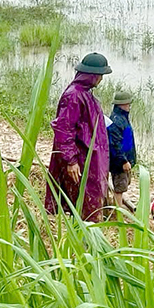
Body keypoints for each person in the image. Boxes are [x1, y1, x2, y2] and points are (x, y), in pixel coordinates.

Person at [45, 52, 111, 222]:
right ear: (92, 76)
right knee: (82, 197)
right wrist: (71, 161)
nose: (101, 80)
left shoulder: (85, 94)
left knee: (87, 197)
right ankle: (82, 237)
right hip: (81, 158)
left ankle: (84, 232)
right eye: (100, 76)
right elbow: (64, 128)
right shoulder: (73, 96)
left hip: (89, 156)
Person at [107, 91, 136, 210]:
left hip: (124, 158)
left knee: (124, 183)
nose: (129, 106)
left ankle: (116, 205)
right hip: (119, 162)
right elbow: (115, 144)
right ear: (122, 105)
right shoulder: (117, 121)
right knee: (119, 186)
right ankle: (118, 210)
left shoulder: (122, 118)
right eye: (128, 104)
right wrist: (123, 161)